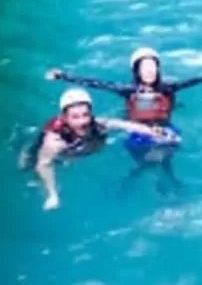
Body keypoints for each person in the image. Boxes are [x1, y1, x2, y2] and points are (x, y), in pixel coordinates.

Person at [47, 49, 202, 189]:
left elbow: (197, 80)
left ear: (158, 69)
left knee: (165, 158)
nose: (149, 70)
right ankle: (139, 177)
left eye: (153, 66)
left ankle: (160, 180)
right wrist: (64, 77)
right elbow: (97, 84)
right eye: (144, 67)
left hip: (164, 130)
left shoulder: (168, 89)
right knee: (149, 161)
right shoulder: (128, 91)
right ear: (137, 71)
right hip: (137, 133)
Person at [26, 88, 166, 210]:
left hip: (81, 150)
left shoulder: (97, 124)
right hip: (51, 154)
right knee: (26, 166)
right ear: (64, 118)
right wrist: (52, 195)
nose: (82, 122)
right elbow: (43, 165)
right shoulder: (55, 141)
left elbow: (124, 125)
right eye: (75, 117)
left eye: (85, 115)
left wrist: (153, 132)